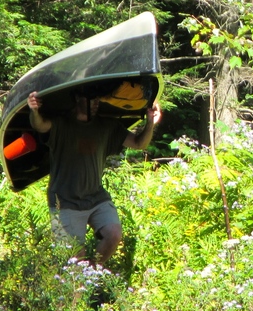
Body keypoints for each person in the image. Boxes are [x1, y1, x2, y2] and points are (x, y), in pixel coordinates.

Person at [27, 89, 162, 266]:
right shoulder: (61, 124)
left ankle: (93, 272)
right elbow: (40, 125)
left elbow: (139, 143)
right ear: (77, 97)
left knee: (114, 235)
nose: (96, 102)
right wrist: (34, 110)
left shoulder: (107, 126)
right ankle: (80, 279)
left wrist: (150, 121)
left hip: (96, 197)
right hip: (65, 201)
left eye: (98, 98)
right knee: (75, 258)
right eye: (91, 98)